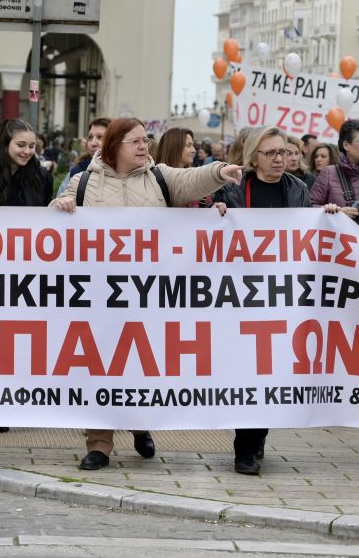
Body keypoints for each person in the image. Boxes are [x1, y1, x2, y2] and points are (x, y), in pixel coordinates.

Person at [52, 117, 241, 471]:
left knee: (141, 365)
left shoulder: (160, 177)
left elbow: (191, 179)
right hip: (100, 297)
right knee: (99, 368)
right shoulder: (83, 183)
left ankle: (140, 425)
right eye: (136, 141)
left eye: (146, 140)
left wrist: (218, 171)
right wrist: (59, 207)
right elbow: (51, 226)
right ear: (114, 146)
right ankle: (100, 444)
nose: (144, 147)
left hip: (150, 296)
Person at [214, 126, 312, 474]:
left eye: (284, 153)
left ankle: (254, 445)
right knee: (246, 369)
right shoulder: (235, 188)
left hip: (281, 296)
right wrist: (218, 211)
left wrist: (326, 217)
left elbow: (308, 234)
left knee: (269, 372)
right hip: (241, 295)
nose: (279, 160)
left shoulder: (299, 190)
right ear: (253, 157)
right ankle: (245, 446)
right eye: (271, 153)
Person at [0, 119, 54, 436]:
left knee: (20, 345)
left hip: (28, 277)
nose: (28, 151)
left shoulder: (41, 177)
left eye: (32, 146)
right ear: (5, 145)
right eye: (21, 145)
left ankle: (16, 406)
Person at [311, 118, 359, 220]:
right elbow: (310, 207)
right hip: (338, 235)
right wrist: (334, 212)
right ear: (346, 145)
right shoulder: (329, 173)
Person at [57, 117, 109, 196]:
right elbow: (57, 203)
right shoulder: (77, 171)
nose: (93, 143)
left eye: (100, 137)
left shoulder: (125, 171)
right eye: (90, 137)